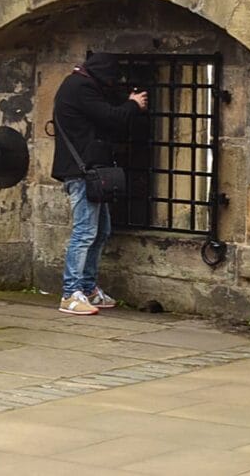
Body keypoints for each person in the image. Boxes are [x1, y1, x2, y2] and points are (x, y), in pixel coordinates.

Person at [51, 52, 147, 315]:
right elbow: (110, 116)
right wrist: (132, 104)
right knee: (84, 233)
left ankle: (88, 288)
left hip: (91, 171)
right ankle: (70, 294)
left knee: (101, 231)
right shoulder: (80, 87)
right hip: (82, 172)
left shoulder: (81, 84)